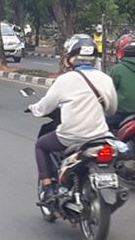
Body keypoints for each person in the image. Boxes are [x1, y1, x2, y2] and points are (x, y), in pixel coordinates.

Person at [27, 38, 118, 203]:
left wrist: (34, 108)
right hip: (99, 136)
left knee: (41, 145)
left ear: (71, 58)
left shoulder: (64, 80)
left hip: (70, 136)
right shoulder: (106, 79)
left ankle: (47, 187)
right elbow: (111, 110)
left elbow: (45, 107)